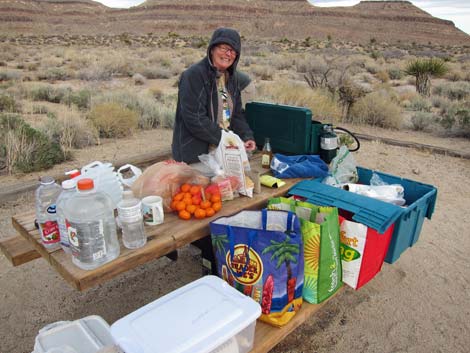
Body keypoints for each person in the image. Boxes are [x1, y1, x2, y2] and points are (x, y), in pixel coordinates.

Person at [172, 27, 256, 164]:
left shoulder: (231, 78)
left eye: (233, 51)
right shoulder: (194, 76)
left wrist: (246, 136)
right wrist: (226, 139)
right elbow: (195, 119)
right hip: (196, 155)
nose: (228, 54)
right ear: (212, 49)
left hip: (222, 150)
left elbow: (236, 114)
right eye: (223, 48)